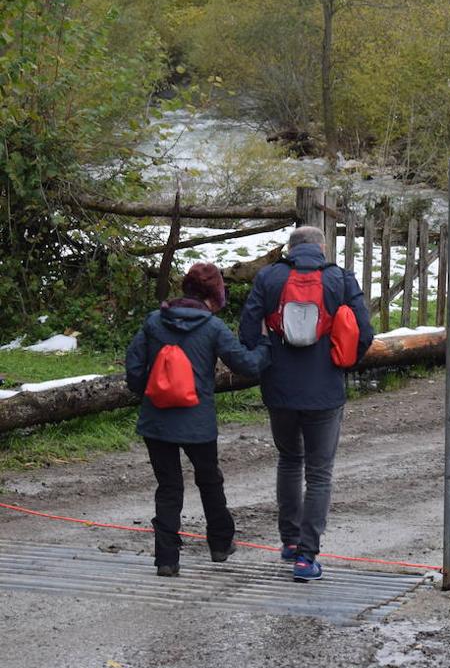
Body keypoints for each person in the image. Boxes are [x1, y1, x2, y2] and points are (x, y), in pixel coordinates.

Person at [239, 226, 374, 582]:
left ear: (290, 248)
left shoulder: (268, 277)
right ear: (322, 248)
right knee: (319, 473)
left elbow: (247, 333)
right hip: (325, 390)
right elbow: (366, 332)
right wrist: (343, 361)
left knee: (288, 460)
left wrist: (269, 357)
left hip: (279, 388)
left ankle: (289, 541)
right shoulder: (340, 279)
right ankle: (306, 557)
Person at [126, 262, 271, 577]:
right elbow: (247, 365)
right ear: (214, 294)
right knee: (209, 480)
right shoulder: (213, 328)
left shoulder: (154, 321)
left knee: (168, 487)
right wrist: (265, 345)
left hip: (156, 420)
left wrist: (149, 395)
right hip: (198, 422)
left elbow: (134, 369)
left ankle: (167, 559)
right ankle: (220, 544)